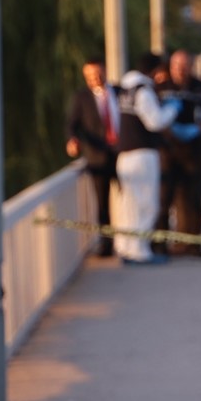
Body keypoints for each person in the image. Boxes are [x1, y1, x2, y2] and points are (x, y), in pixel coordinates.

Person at [113, 58, 174, 262]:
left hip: (125, 155)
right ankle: (140, 252)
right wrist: (172, 109)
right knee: (147, 203)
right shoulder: (144, 91)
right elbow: (155, 122)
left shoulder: (125, 91)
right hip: (143, 155)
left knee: (128, 205)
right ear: (154, 71)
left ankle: (125, 247)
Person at [158, 50, 201, 257]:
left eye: (185, 65)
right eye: (177, 66)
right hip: (169, 152)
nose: (181, 70)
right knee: (165, 199)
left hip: (195, 151)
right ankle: (162, 245)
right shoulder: (161, 88)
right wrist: (171, 132)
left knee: (194, 200)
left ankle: (194, 245)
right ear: (171, 67)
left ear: (191, 67)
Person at [64, 58, 120, 261]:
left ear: (105, 71)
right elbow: (72, 124)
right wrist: (72, 140)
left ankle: (134, 241)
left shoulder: (119, 92)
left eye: (97, 74)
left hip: (122, 154)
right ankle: (107, 243)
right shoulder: (81, 97)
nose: (94, 79)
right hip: (97, 158)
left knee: (130, 199)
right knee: (102, 203)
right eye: (89, 76)